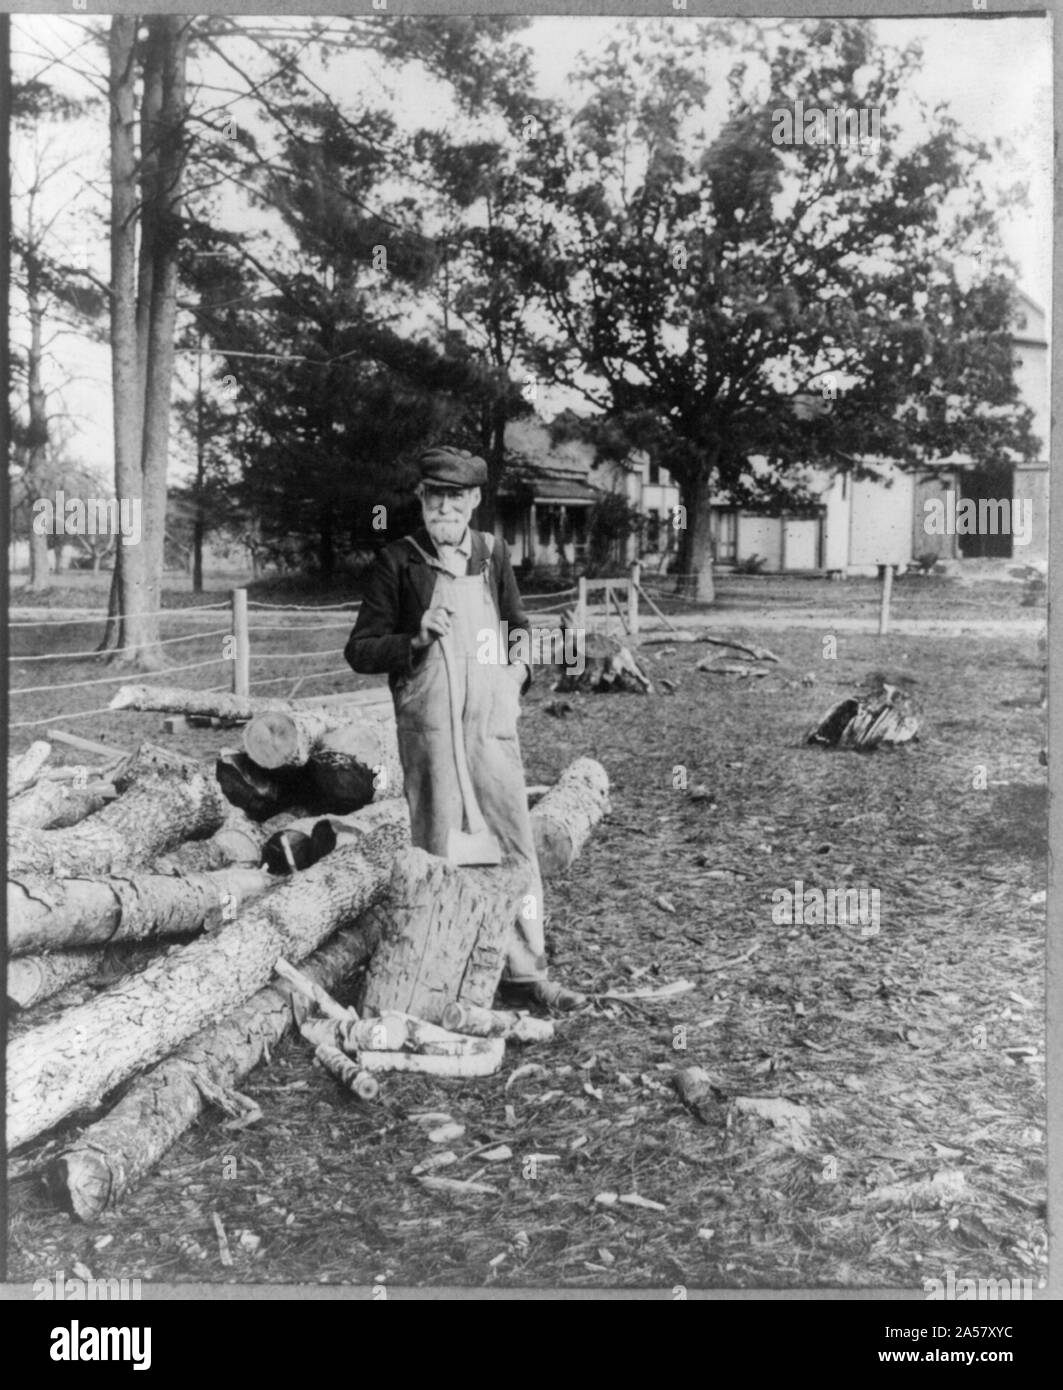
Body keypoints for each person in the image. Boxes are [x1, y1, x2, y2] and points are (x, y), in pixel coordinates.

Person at [345, 445, 580, 1009]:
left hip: (490, 733)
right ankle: (444, 981)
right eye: (434, 497)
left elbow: (518, 628)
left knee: (512, 843)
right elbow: (359, 650)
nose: (444, 508)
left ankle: (525, 971)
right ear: (422, 500)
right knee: (442, 850)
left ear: (474, 501)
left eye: (456, 497)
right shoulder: (398, 561)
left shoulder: (492, 555)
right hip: (430, 735)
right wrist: (414, 637)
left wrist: (513, 686)